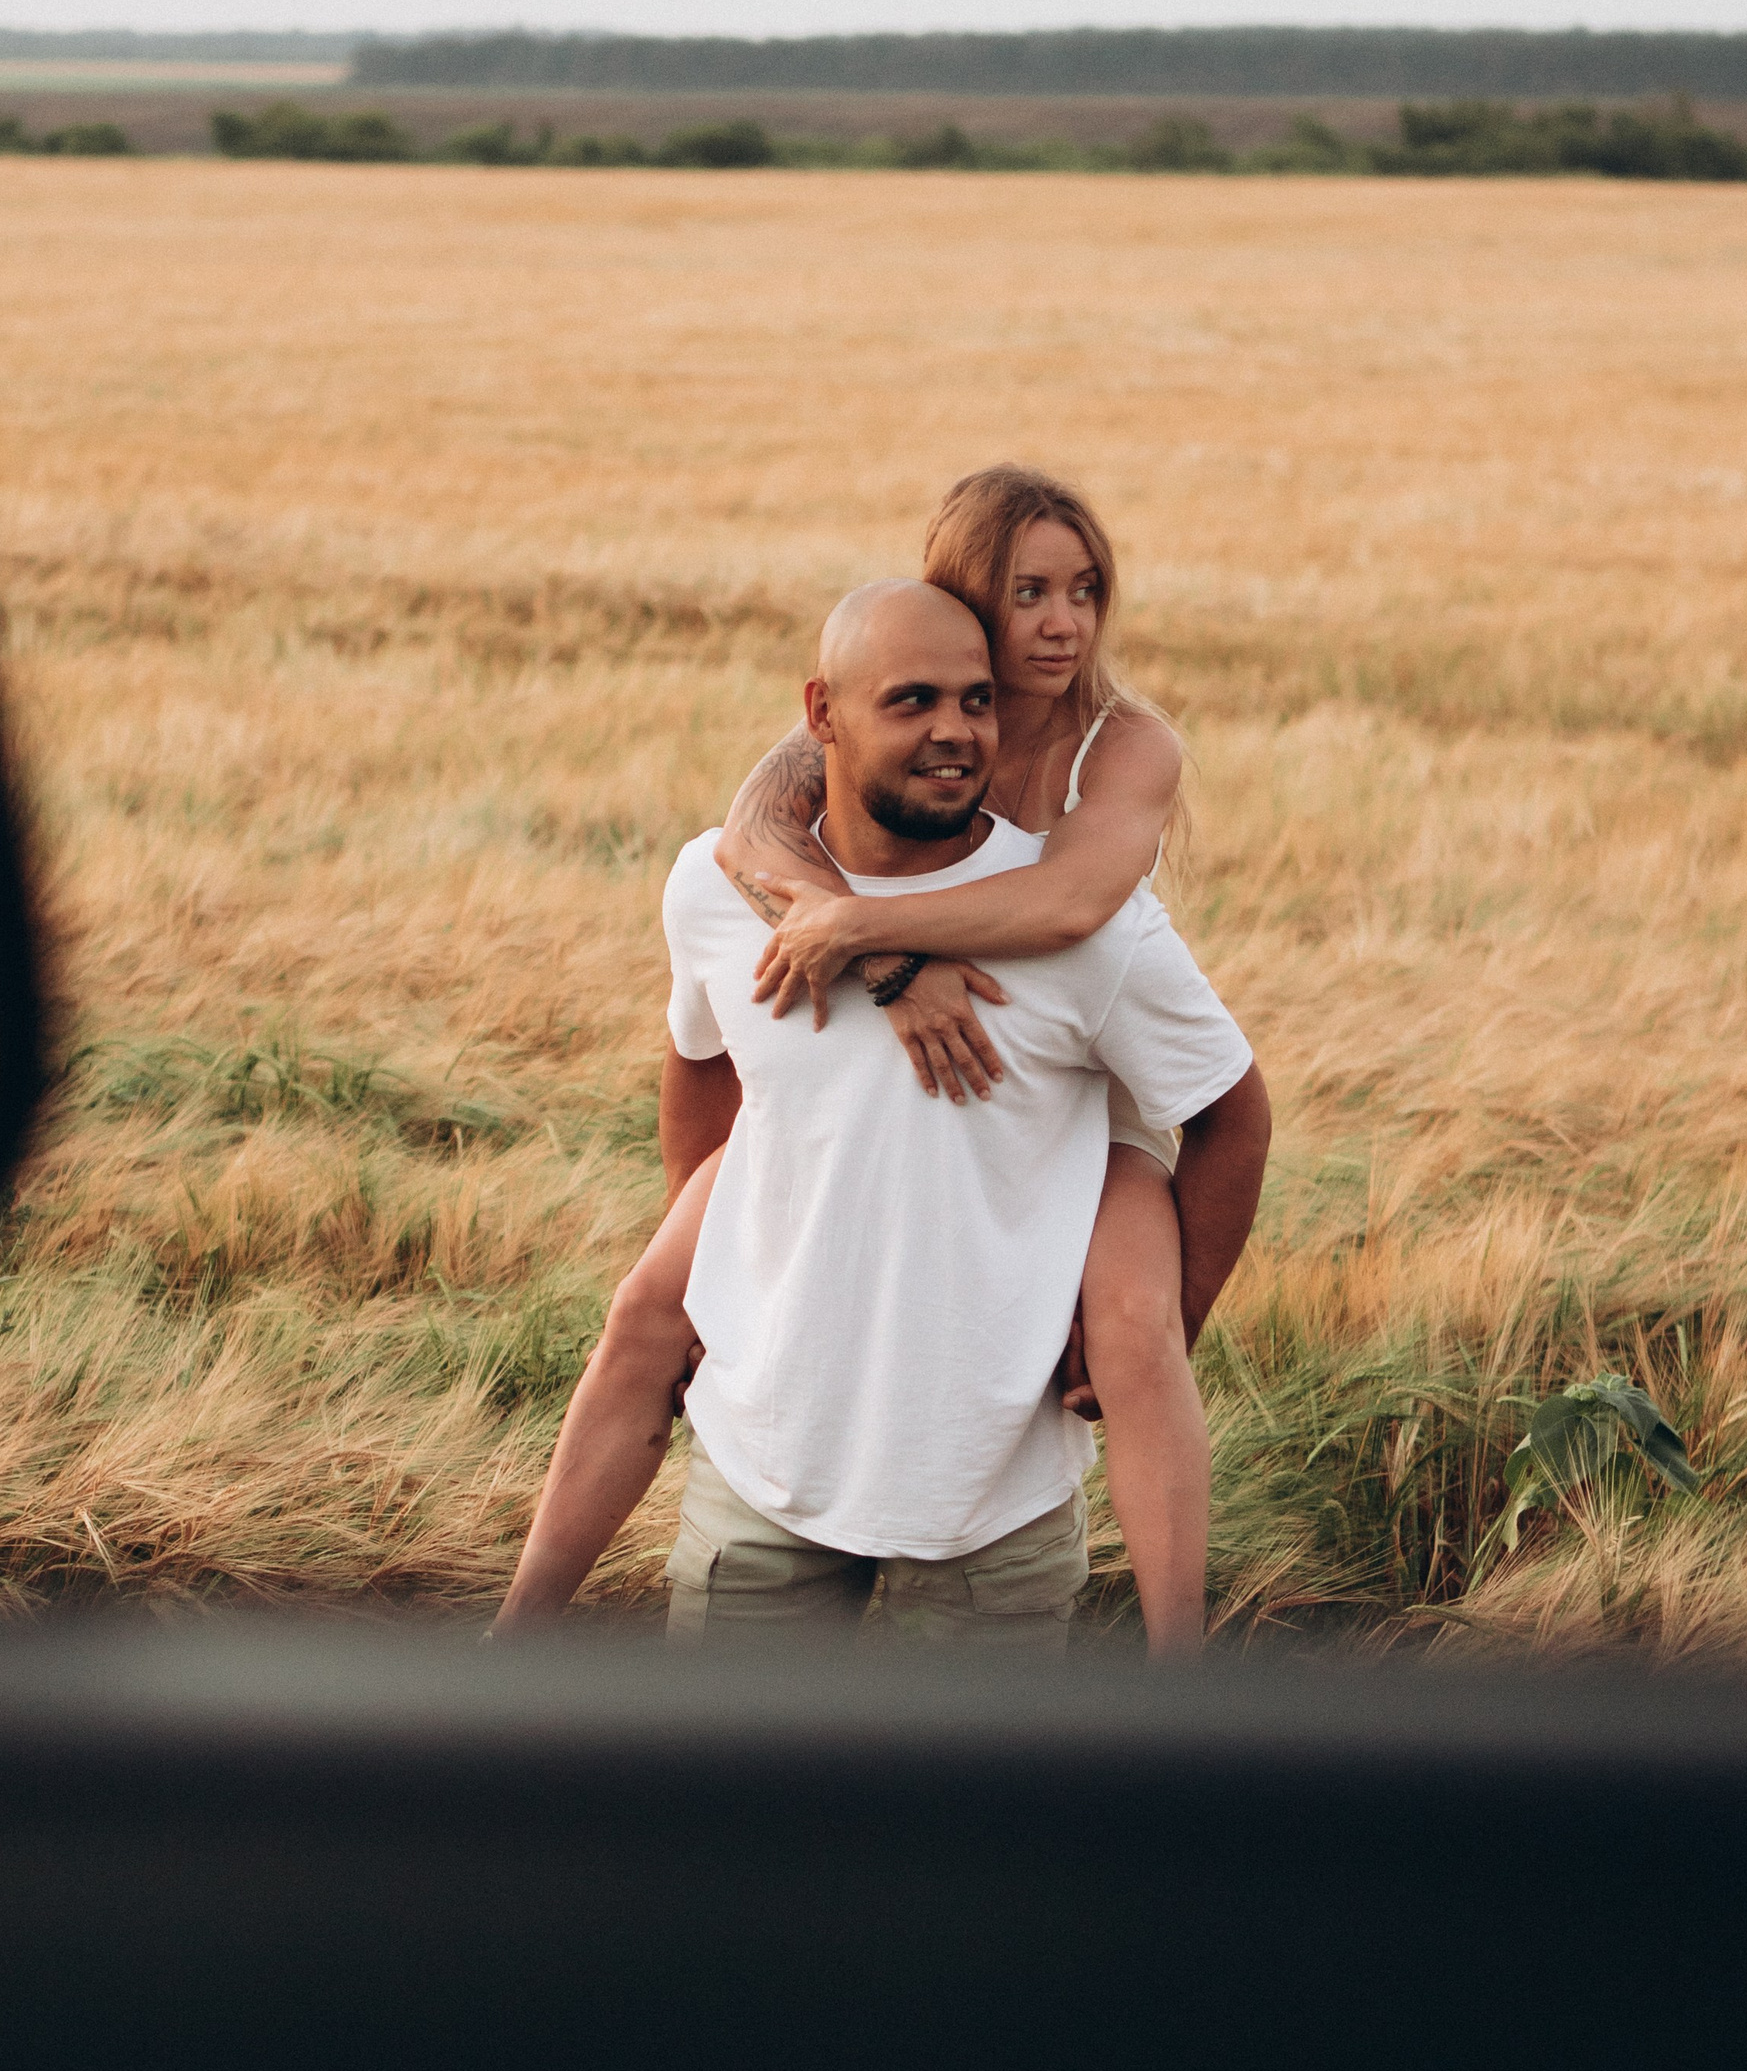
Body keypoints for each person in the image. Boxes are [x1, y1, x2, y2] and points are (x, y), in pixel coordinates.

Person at [493, 575, 1268, 1652]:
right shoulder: (716, 889)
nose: (954, 732)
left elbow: (1230, 1111)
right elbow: (700, 1056)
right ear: (820, 715)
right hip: (765, 1475)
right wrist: (728, 1278)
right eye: (911, 701)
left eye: (976, 701)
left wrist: (1151, 1333)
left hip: (992, 1507)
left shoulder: (1086, 932)